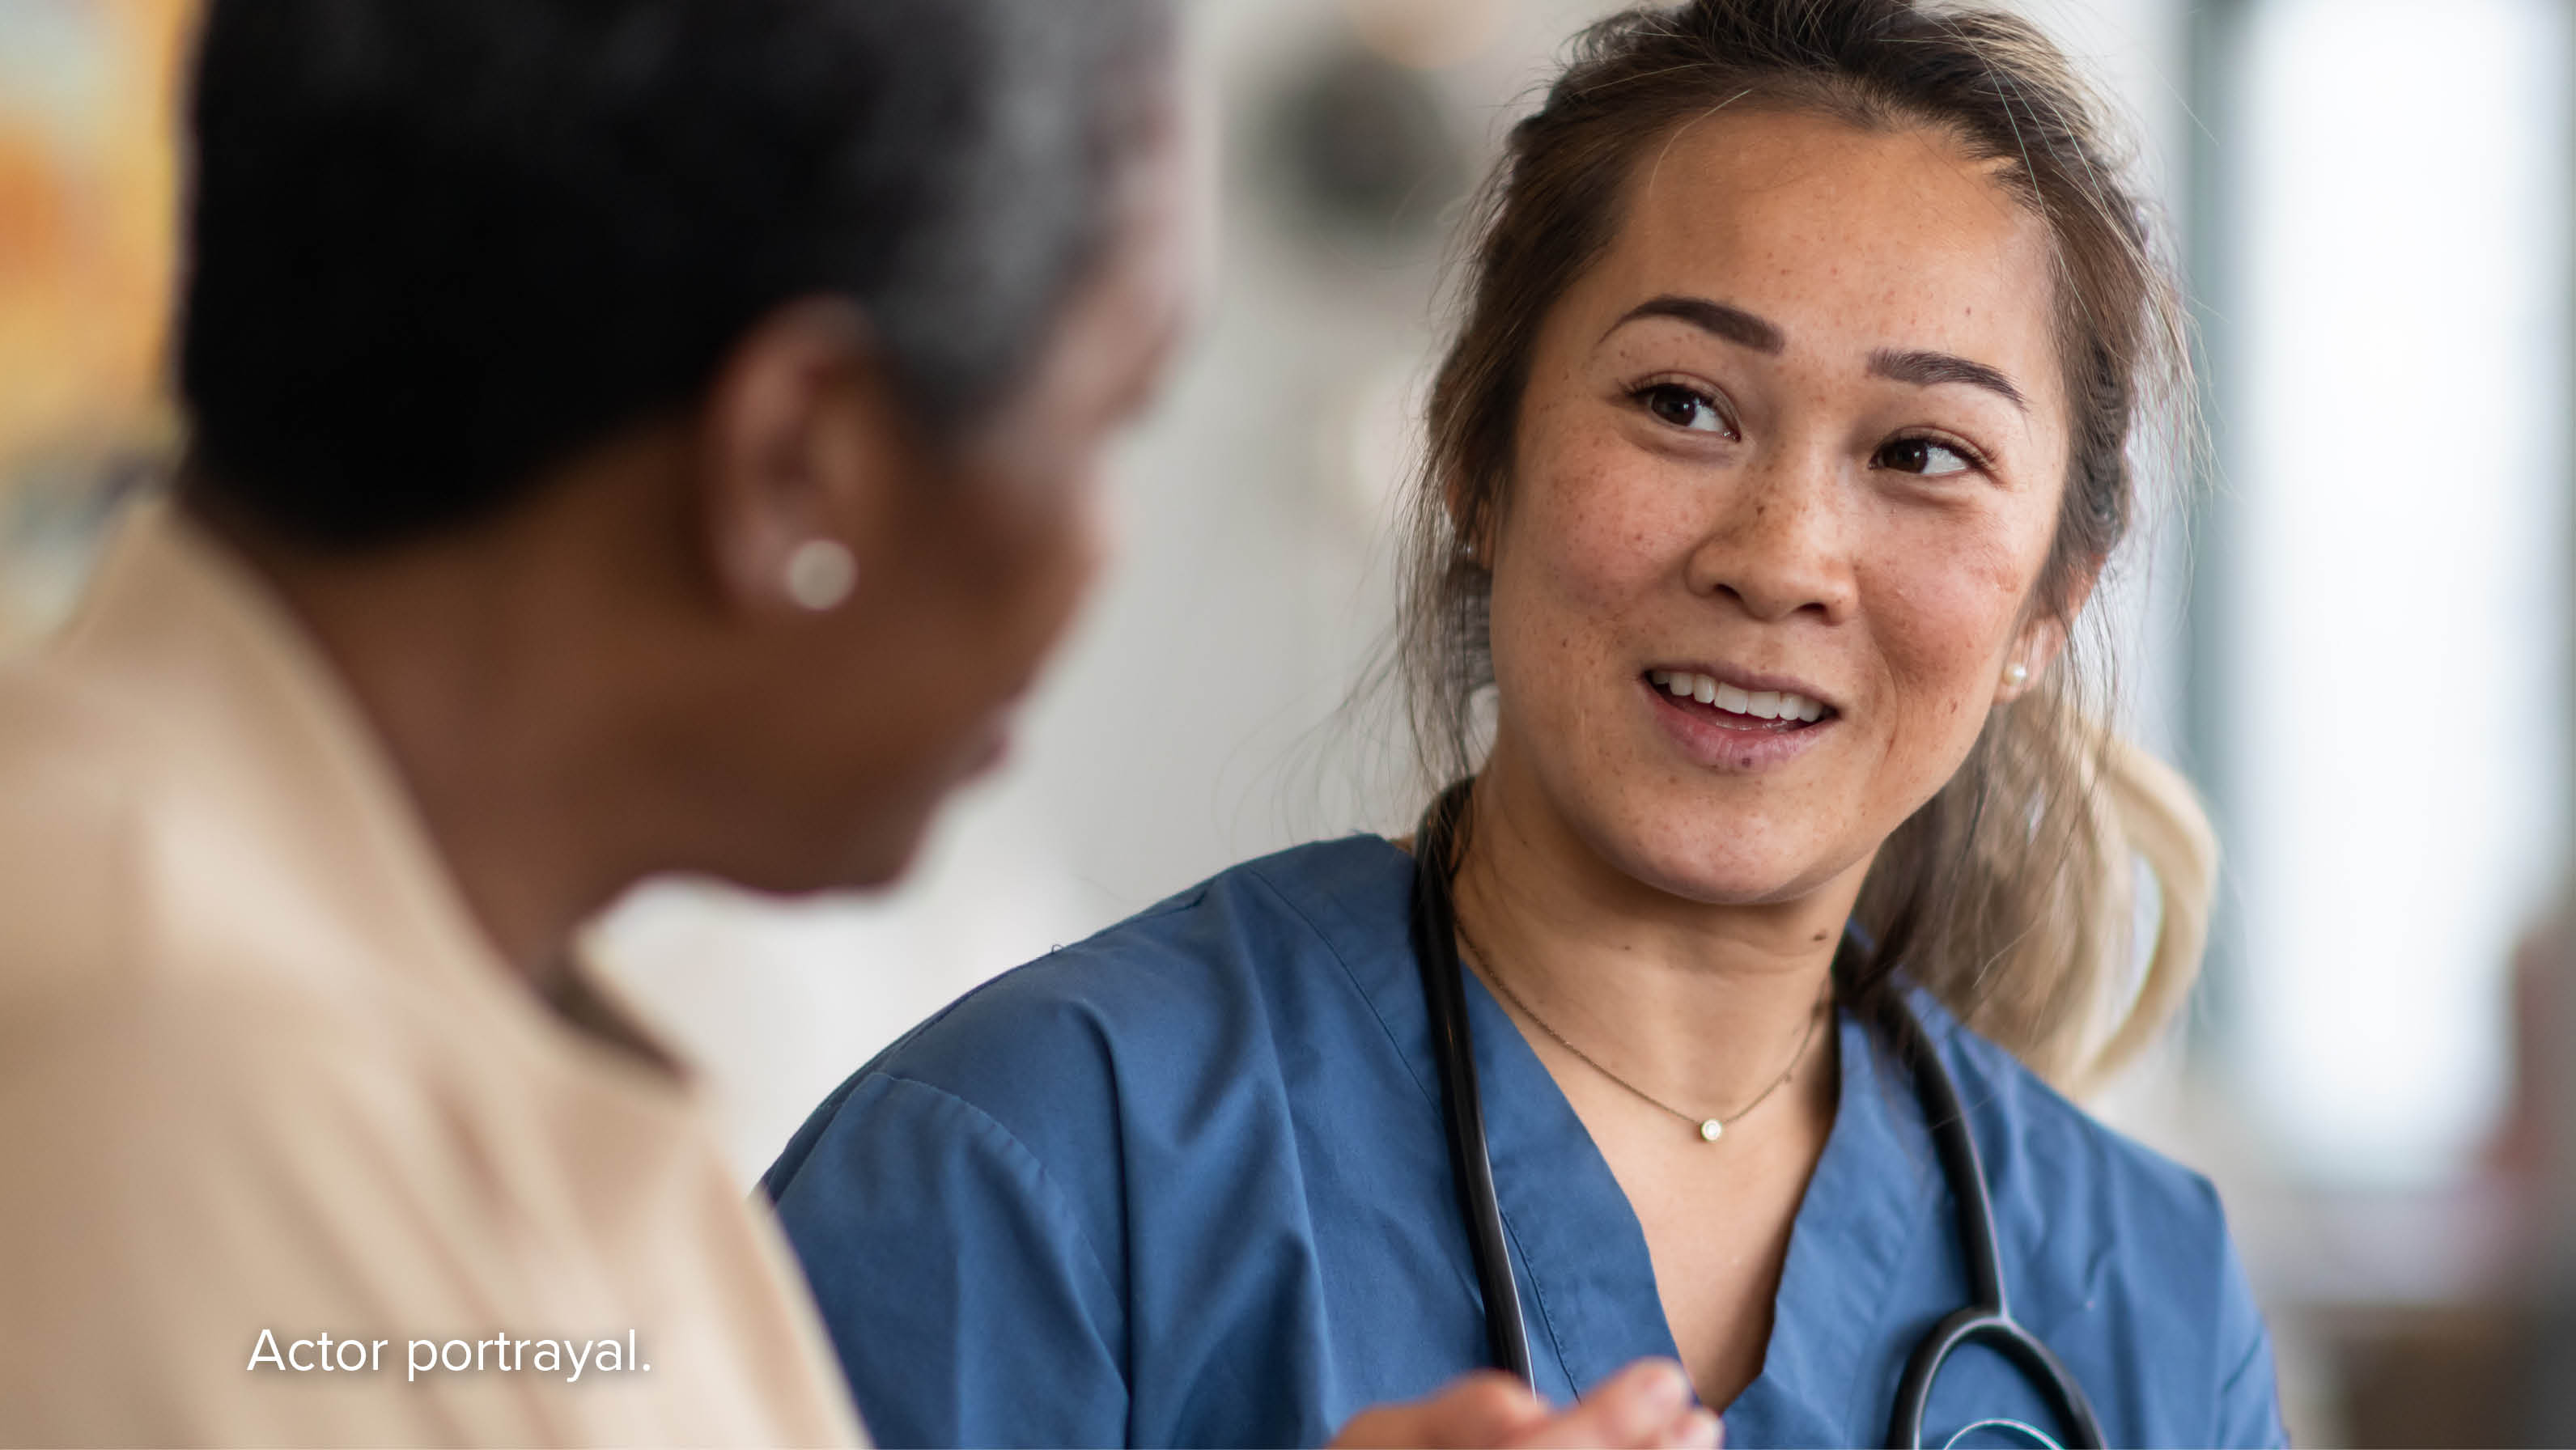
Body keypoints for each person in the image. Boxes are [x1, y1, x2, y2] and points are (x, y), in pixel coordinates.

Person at [762, 0, 2290, 1445]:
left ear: (2049, 610)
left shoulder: (2143, 1293)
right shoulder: (1018, 1166)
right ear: (1474, 463)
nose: (1777, 558)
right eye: (1684, 404)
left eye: (1924, 451)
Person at [0, 0, 1188, 1441]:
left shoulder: (396, 1003)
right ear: (798, 464)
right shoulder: (175, 1102)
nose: (1106, 554)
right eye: (1109, 419)